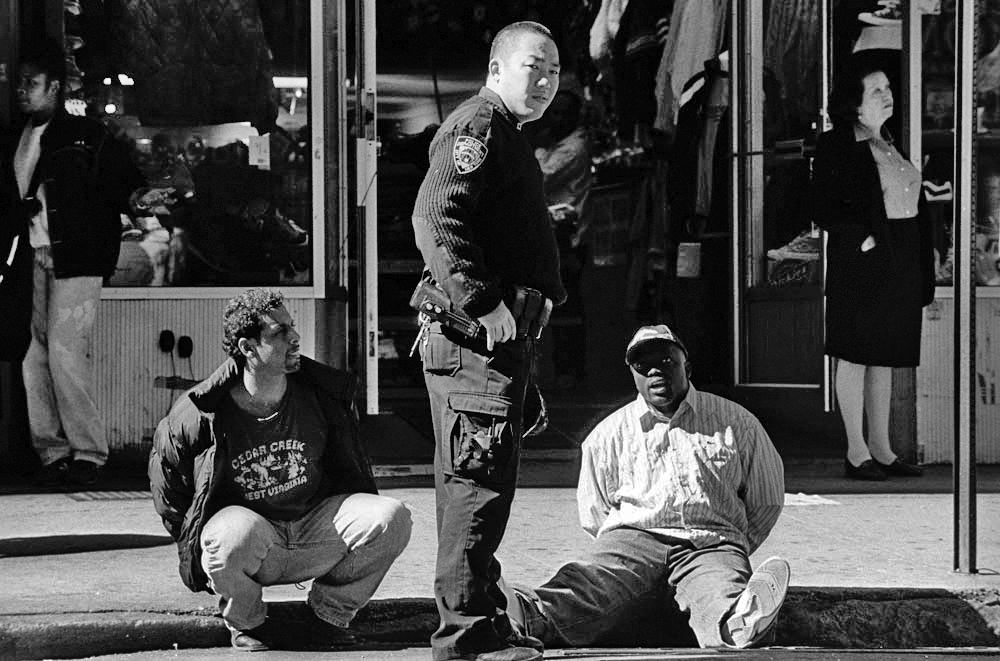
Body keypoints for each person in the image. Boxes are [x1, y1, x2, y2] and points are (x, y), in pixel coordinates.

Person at [410, 21, 567, 661]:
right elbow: (434, 216)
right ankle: (467, 636)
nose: (546, 80)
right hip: (476, 340)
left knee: (481, 485)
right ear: (497, 69)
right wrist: (482, 301)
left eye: (554, 71)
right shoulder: (478, 126)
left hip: (494, 345)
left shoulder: (505, 131)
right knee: (476, 490)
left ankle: (485, 621)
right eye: (534, 66)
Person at [148, 288, 412, 651]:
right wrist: (199, 550)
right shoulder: (199, 413)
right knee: (228, 536)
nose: (295, 337)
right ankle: (248, 622)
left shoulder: (323, 394)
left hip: (315, 531)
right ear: (247, 348)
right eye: (279, 332)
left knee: (392, 517)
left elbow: (349, 467)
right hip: (256, 542)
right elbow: (170, 493)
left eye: (292, 326)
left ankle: (327, 617)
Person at [501, 325, 790, 650]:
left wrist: (732, 543)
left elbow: (766, 499)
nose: (655, 372)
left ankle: (740, 623)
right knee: (590, 583)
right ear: (633, 375)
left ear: (687, 367)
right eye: (643, 366)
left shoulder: (737, 423)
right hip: (632, 541)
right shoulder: (607, 435)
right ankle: (522, 613)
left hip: (709, 544)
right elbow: (595, 512)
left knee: (719, 590)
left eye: (666, 362)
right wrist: (625, 543)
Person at [8, 37, 144, 487]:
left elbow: (122, 184)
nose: (22, 90)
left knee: (65, 354)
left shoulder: (86, 135)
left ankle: (87, 452)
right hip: (33, 255)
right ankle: (53, 451)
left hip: (77, 257)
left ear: (54, 87)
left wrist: (140, 199)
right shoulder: (20, 137)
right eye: (20, 82)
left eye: (31, 83)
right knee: (33, 355)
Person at [812, 61, 933, 481]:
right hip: (863, 261)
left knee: (884, 355)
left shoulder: (890, 143)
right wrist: (863, 239)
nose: (887, 94)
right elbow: (823, 206)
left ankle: (881, 449)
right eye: (876, 90)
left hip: (900, 258)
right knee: (855, 353)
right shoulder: (837, 144)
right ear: (854, 104)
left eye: (888, 87)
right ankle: (856, 451)